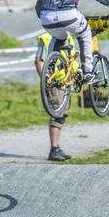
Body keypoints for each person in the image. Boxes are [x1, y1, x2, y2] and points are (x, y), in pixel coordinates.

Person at [35, 32, 78, 161]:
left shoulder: (68, 36)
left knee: (62, 115)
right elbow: (38, 61)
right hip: (55, 84)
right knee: (57, 115)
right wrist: (47, 81)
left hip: (65, 83)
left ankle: (57, 148)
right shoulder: (46, 38)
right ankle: (54, 149)